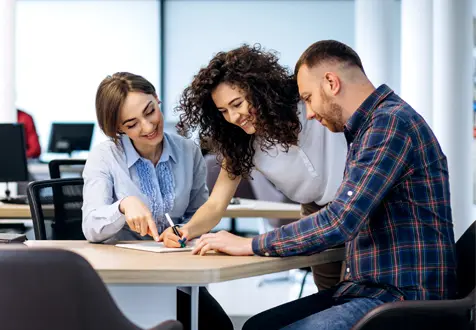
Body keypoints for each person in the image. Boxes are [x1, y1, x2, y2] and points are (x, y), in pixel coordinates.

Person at [191, 40, 457, 330]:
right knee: (258, 326)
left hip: (401, 297)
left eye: (307, 97)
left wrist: (251, 244)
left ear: (331, 82)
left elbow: (341, 220)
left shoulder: (388, 125)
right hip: (368, 287)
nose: (308, 113)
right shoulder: (368, 127)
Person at [163, 44, 348, 291]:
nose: (233, 117)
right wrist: (183, 231)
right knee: (330, 297)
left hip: (355, 201)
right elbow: (216, 204)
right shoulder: (241, 143)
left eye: (237, 103)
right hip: (314, 214)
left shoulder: (308, 105)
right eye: (223, 111)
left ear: (258, 90)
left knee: (362, 296)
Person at [81, 72, 233, 330]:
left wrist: (183, 231)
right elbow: (91, 227)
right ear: (118, 128)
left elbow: (199, 213)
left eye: (150, 111)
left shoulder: (188, 150)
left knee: (218, 327)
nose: (148, 127)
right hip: (123, 280)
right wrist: (123, 205)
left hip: (177, 275)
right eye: (132, 124)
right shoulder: (104, 157)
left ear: (157, 99)